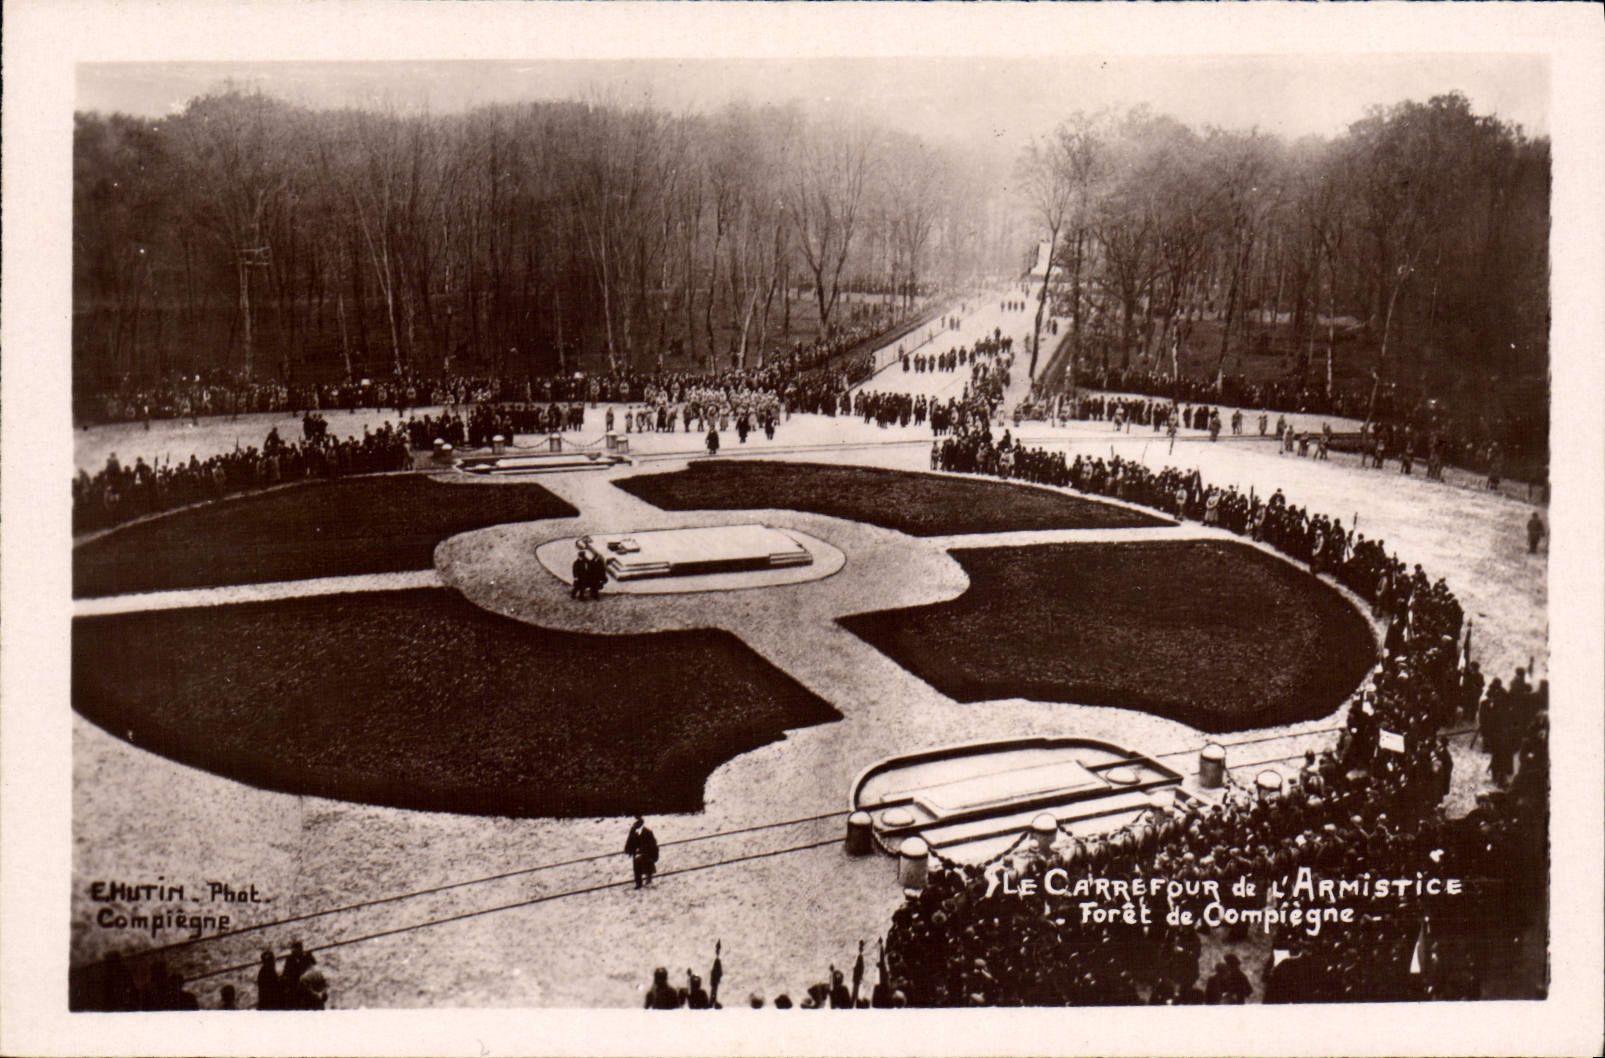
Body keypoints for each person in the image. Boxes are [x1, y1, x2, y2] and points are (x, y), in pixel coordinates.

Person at [625, 816, 659, 888]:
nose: (633, 825)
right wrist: (628, 850)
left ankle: (648, 879)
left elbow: (652, 844)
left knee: (648, 866)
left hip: (646, 853)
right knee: (636, 867)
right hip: (637, 853)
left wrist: (647, 853)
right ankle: (638, 883)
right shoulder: (633, 831)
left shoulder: (647, 832)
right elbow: (629, 841)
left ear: (640, 824)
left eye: (635, 824)